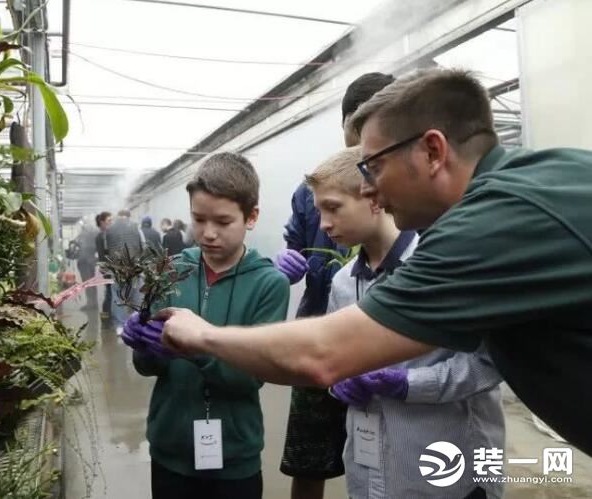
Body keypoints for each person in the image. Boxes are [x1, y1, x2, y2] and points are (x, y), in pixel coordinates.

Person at [158, 68, 592, 455]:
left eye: (373, 167)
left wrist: (203, 335)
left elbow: (323, 355)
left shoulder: (486, 225)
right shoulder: (541, 174)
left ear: (433, 152)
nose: (370, 191)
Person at [309, 146, 504, 499]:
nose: (323, 224)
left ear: (373, 198)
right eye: (319, 211)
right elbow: (333, 358)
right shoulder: (342, 283)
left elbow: (488, 365)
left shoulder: (442, 267)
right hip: (371, 469)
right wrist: (339, 382)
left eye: (333, 208)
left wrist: (409, 384)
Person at [121, 152, 290, 499]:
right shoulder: (170, 270)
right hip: (170, 449)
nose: (208, 233)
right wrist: (144, 346)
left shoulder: (268, 284)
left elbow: (250, 377)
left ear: (251, 217)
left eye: (223, 222)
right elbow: (146, 368)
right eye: (198, 219)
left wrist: (195, 345)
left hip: (234, 457)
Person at [276, 72, 395, 499]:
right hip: (319, 331)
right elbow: (295, 242)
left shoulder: (405, 188)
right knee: (308, 457)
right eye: (357, 134)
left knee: (388, 448)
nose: (365, 148)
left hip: (384, 340)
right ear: (343, 125)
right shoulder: (309, 190)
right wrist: (285, 265)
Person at [105, 209, 145, 332]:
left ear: (118, 216)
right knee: (137, 294)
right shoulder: (135, 227)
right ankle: (137, 322)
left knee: (118, 296)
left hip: (116, 267)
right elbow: (143, 245)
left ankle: (120, 326)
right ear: (128, 216)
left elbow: (106, 248)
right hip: (133, 265)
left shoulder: (110, 229)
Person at [77, 215, 99, 310]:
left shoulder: (85, 233)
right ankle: (94, 303)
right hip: (91, 260)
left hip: (84, 261)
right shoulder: (95, 232)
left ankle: (91, 304)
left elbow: (79, 244)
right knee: (92, 283)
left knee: (87, 283)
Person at [96, 211, 113, 319]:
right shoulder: (101, 236)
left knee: (110, 290)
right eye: (109, 221)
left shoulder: (106, 234)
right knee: (110, 290)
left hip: (109, 266)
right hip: (107, 266)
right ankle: (106, 312)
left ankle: (107, 312)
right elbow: (102, 254)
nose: (111, 223)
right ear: (102, 222)